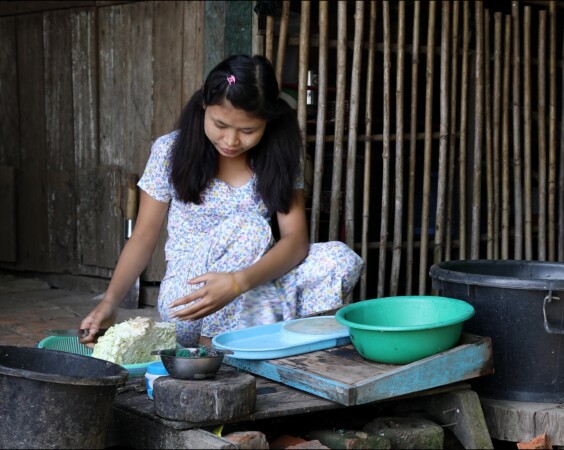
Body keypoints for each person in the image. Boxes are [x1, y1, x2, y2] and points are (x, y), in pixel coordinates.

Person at [80, 55, 363, 348]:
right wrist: (109, 303)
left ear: (267, 122)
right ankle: (214, 348)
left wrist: (238, 283)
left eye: (248, 130)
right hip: (190, 302)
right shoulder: (170, 151)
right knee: (249, 227)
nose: (230, 140)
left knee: (340, 260)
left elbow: (295, 241)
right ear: (204, 104)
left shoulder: (279, 158)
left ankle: (258, 336)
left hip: (250, 288)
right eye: (220, 125)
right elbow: (142, 237)